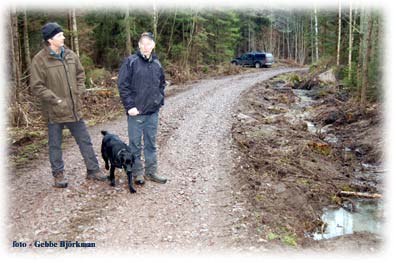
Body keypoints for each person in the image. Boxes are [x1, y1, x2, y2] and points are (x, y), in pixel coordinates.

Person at [30, 22, 107, 188]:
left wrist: (79, 91)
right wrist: (55, 99)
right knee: (55, 145)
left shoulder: (70, 55)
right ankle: (58, 175)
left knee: (85, 140)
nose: (63, 37)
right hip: (54, 110)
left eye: (62, 34)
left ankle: (93, 170)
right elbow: (36, 86)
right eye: (59, 35)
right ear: (50, 39)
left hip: (74, 109)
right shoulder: (40, 60)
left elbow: (80, 74)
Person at [117, 32, 167, 185]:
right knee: (135, 145)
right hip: (136, 113)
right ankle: (137, 173)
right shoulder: (130, 62)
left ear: (153, 45)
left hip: (152, 113)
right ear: (139, 45)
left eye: (149, 43)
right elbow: (122, 85)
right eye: (143, 43)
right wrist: (130, 106)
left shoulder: (157, 64)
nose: (146, 46)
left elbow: (162, 84)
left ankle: (151, 171)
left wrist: (158, 101)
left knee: (151, 144)